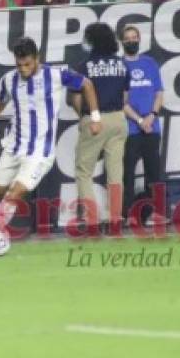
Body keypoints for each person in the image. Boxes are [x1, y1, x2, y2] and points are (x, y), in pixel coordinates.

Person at [0, 37, 101, 256]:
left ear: (37, 59)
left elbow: (87, 84)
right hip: (14, 147)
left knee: (16, 191)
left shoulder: (55, 75)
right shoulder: (9, 80)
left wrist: (95, 117)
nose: (23, 69)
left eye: (27, 64)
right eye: (19, 65)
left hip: (40, 152)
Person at [72, 23, 129, 228]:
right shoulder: (122, 64)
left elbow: (76, 98)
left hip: (95, 120)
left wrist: (84, 118)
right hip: (118, 118)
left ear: (92, 41)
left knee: (83, 170)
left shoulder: (84, 66)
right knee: (115, 172)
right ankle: (115, 217)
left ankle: (92, 218)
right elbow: (125, 96)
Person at [120, 25, 164, 219]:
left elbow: (159, 93)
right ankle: (127, 214)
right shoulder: (119, 65)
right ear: (122, 42)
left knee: (153, 174)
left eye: (134, 37)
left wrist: (152, 115)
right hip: (130, 129)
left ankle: (153, 213)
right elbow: (122, 101)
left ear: (139, 39)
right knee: (127, 174)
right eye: (127, 38)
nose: (131, 41)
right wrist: (139, 120)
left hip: (152, 127)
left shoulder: (150, 62)